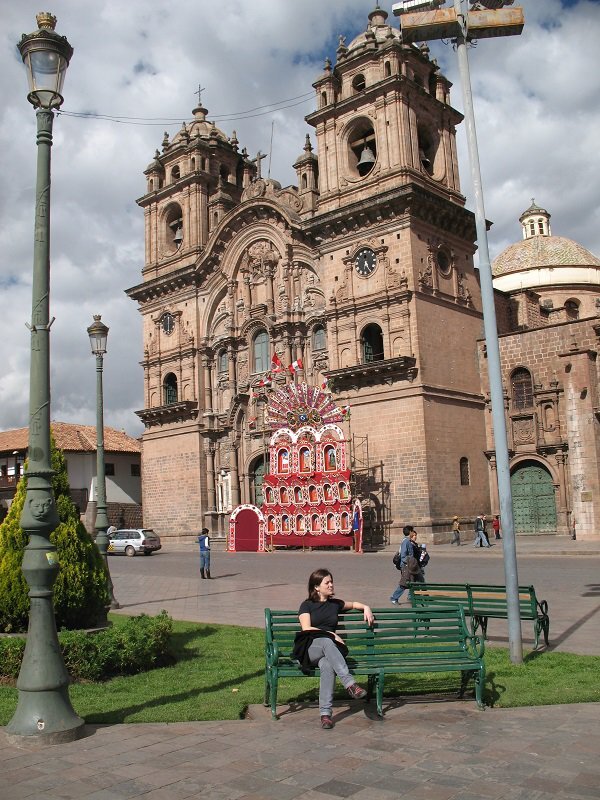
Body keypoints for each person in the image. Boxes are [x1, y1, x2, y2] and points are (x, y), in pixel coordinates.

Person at [293, 568, 373, 729]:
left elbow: (354, 604)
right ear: (316, 587)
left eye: (331, 581)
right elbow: (306, 628)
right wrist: (330, 634)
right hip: (310, 649)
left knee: (328, 665)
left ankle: (325, 714)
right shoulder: (307, 605)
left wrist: (366, 608)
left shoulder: (335, 604)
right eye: (327, 582)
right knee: (326, 641)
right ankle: (350, 684)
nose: (331, 585)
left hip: (328, 653)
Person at [390, 524, 416, 604]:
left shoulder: (406, 541)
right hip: (406, 565)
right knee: (404, 583)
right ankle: (394, 598)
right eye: (412, 531)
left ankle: (411, 597)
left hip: (407, 565)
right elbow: (404, 555)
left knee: (412, 581)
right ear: (410, 532)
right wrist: (410, 562)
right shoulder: (406, 541)